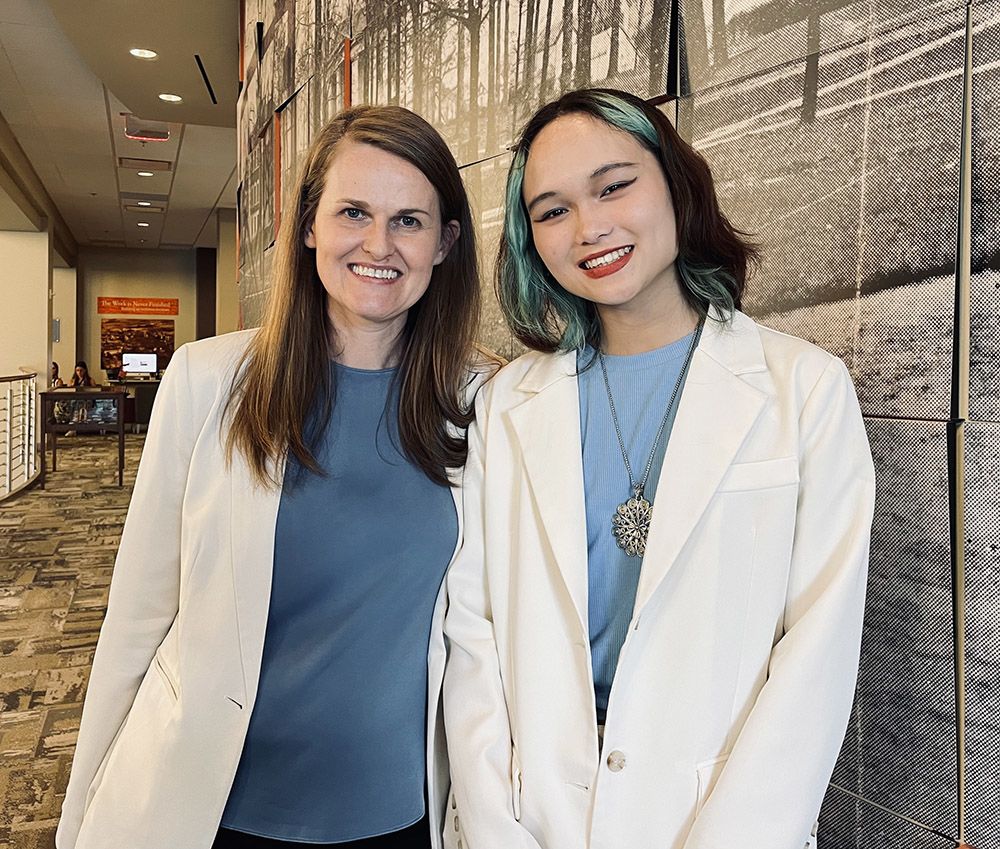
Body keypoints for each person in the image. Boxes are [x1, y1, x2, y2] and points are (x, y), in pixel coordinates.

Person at [442, 88, 875, 849]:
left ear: (677, 185)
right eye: (552, 210)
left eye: (614, 186)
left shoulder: (803, 389)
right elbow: (472, 634)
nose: (590, 227)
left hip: (714, 816)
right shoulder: (507, 405)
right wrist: (494, 826)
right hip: (535, 815)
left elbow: (819, 652)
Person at [57, 105, 493, 849]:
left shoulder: (481, 404)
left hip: (400, 810)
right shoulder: (208, 380)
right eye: (353, 212)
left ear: (446, 242)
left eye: (409, 221)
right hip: (215, 807)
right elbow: (136, 619)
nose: (379, 244)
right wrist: (80, 819)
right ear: (309, 226)